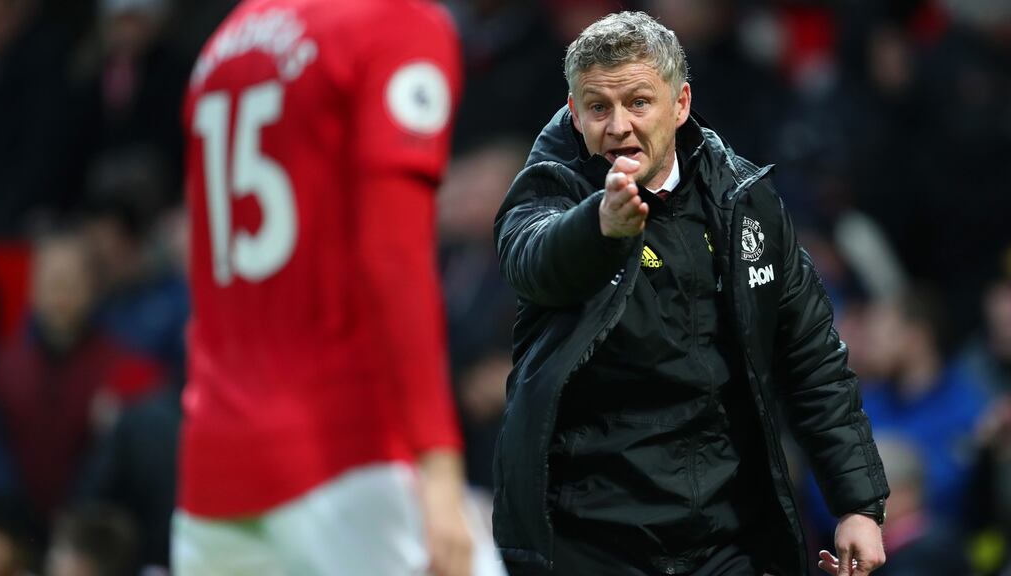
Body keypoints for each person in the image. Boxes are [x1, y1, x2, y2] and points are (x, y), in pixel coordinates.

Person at [492, 11, 889, 576]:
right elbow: (534, 260)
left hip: (729, 538)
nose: (619, 125)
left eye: (638, 102)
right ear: (575, 113)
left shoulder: (743, 203)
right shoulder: (550, 190)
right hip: (590, 538)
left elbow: (811, 359)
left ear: (679, 105)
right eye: (599, 107)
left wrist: (857, 505)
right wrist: (599, 226)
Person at [174, 1, 504, 576]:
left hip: (212, 471)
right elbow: (393, 258)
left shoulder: (225, 45)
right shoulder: (396, 23)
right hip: (348, 460)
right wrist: (440, 465)